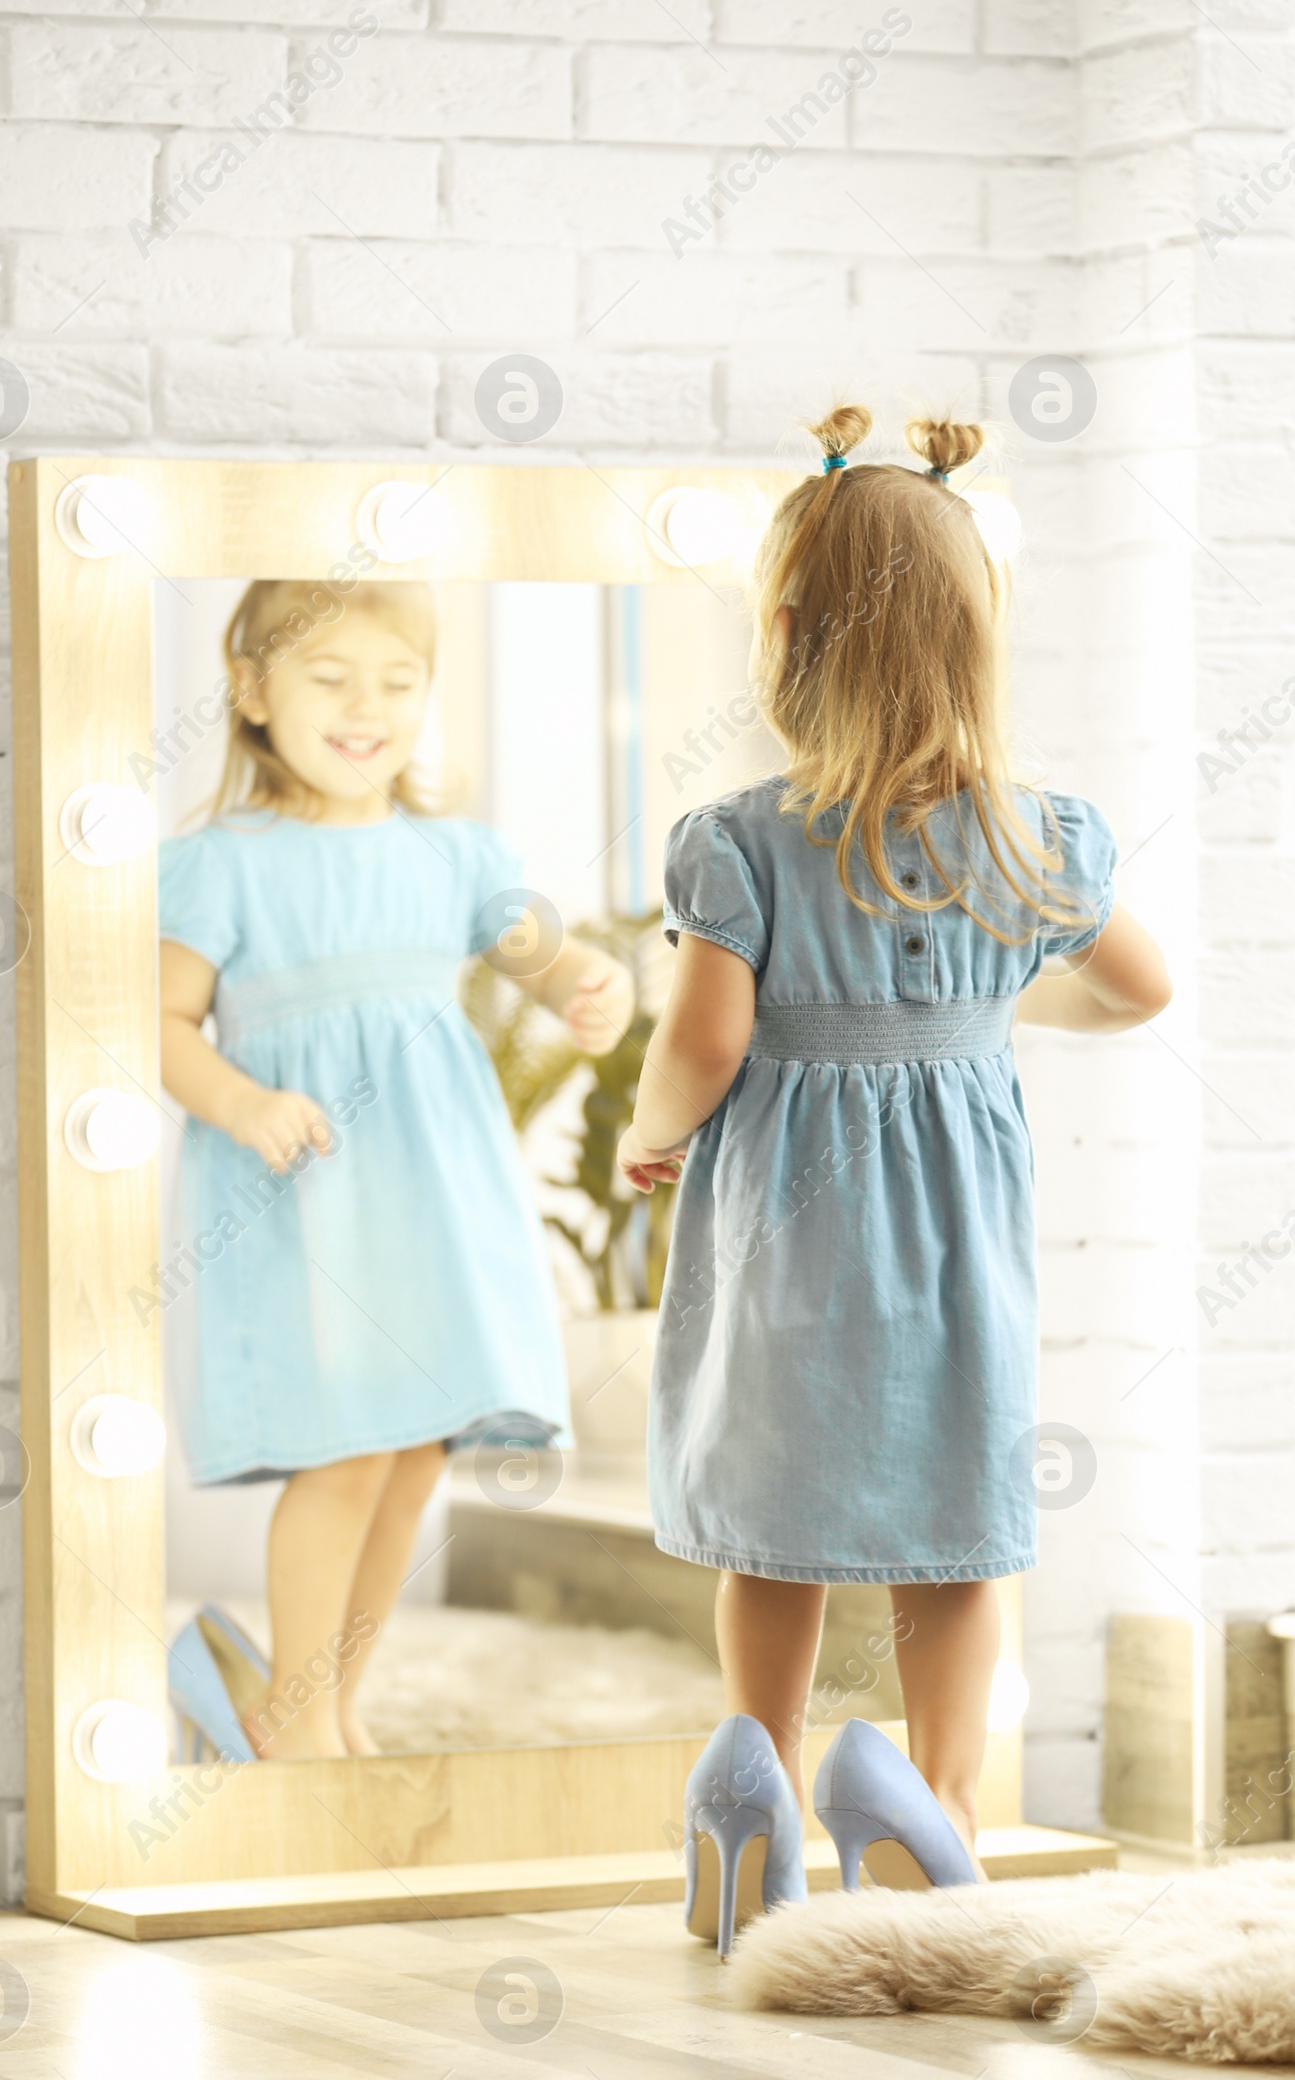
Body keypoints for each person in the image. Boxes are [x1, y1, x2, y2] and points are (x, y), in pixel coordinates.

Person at [617, 407, 1171, 1954]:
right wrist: (985, 1011)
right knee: (955, 1529)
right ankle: (939, 1799)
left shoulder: (741, 843)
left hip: (786, 1235)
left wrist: (647, 1137)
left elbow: (707, 1038)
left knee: (771, 1535)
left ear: (785, 636)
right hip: (952, 1247)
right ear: (978, 637)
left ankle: (755, 1778)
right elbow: (1143, 989)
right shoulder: (1034, 838)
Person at [159, 579, 633, 1760]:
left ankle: (328, 1698)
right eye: (330, 680)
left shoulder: (456, 854)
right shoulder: (224, 863)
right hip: (306, 1185)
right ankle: (289, 1714)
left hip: (434, 1189)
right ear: (254, 693)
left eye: (398, 682)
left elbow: (549, 956)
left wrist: (589, 986)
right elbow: (159, 1024)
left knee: (416, 1450)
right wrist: (242, 1098)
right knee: (345, 1446)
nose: (366, 708)